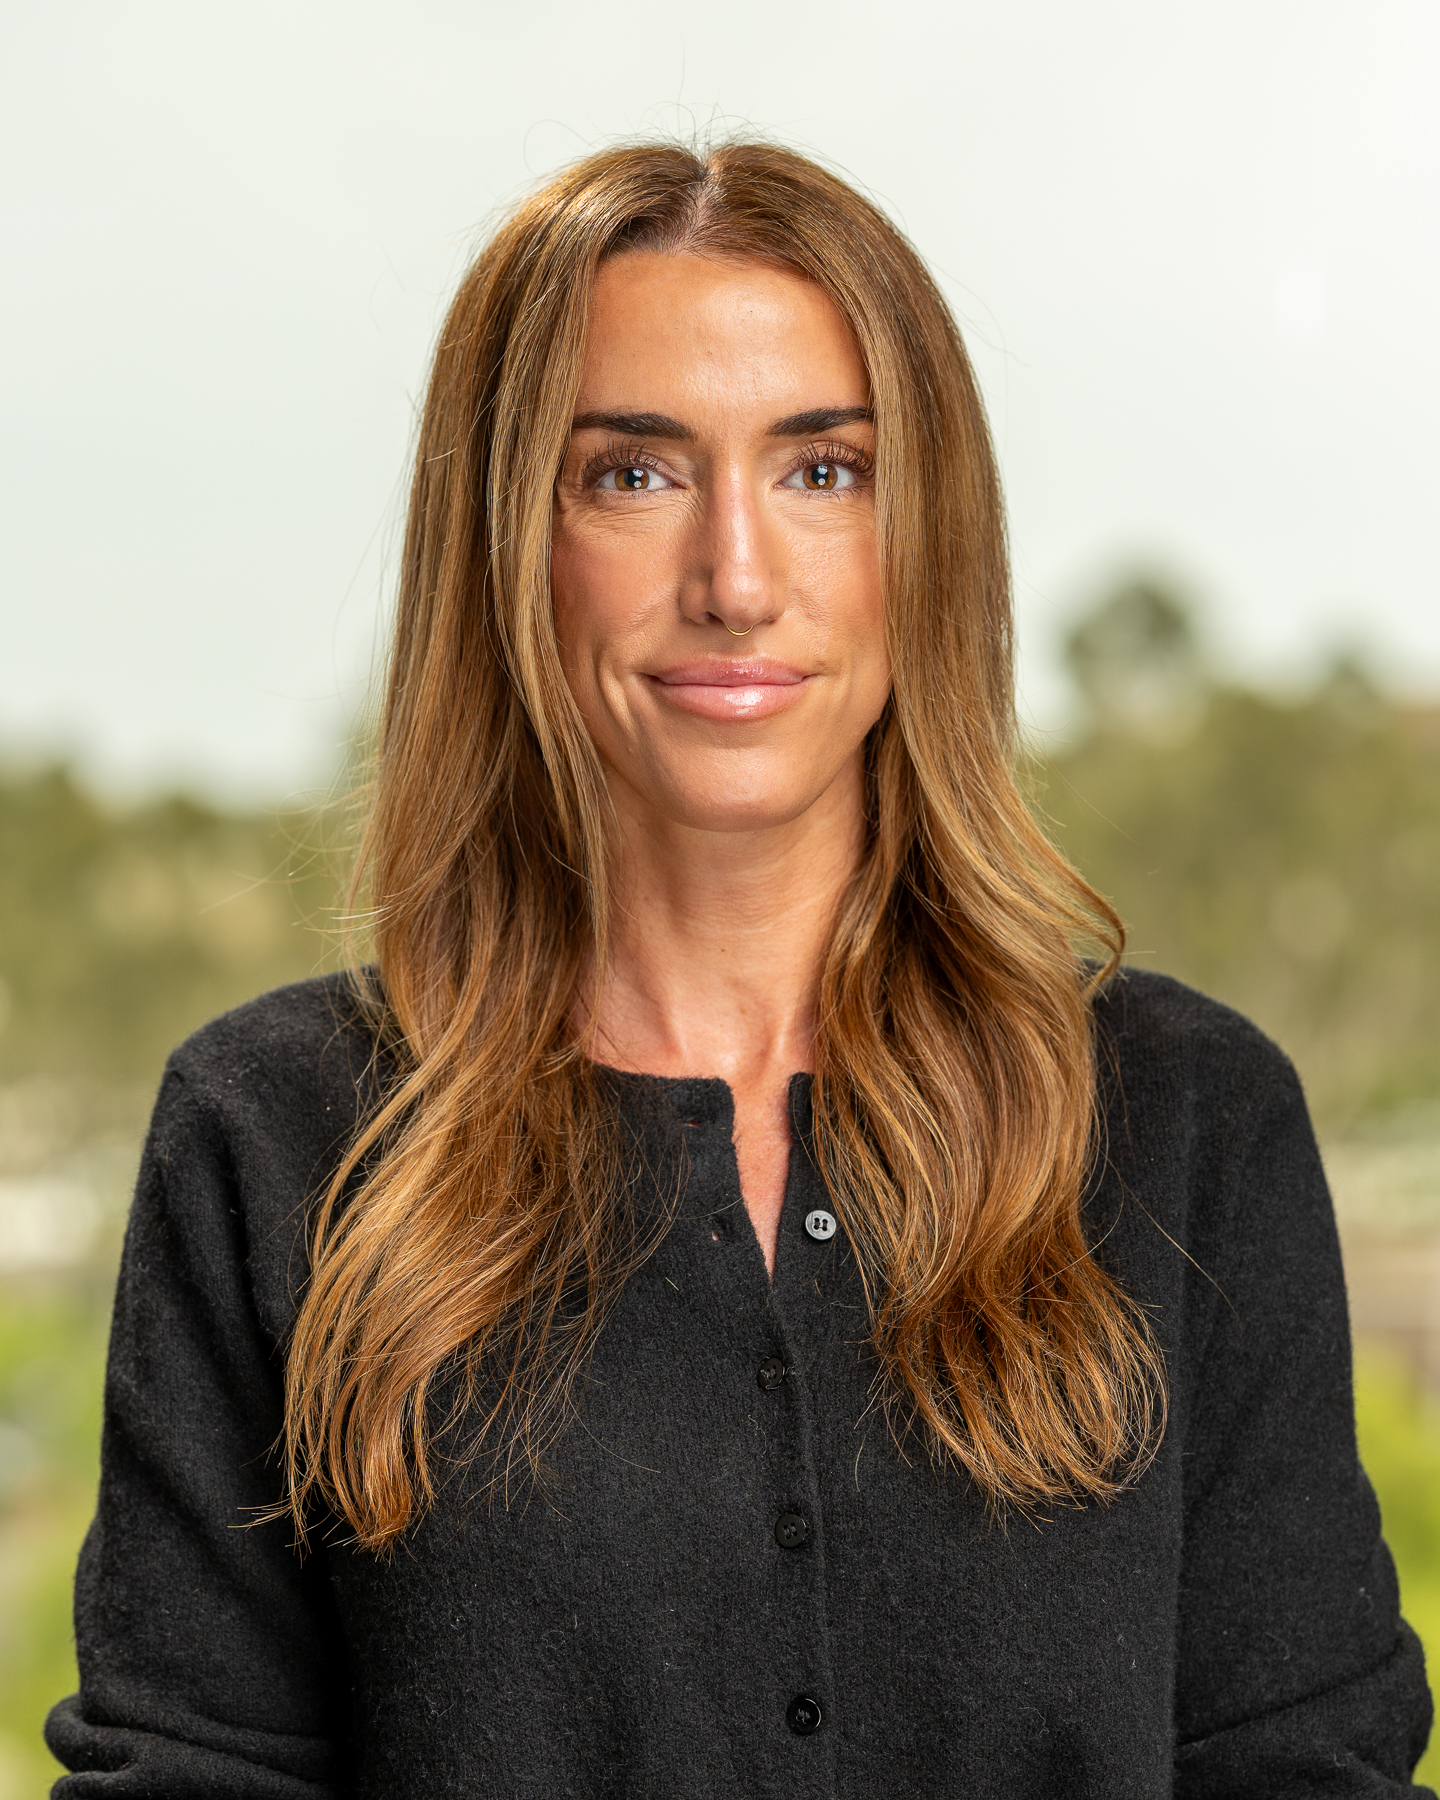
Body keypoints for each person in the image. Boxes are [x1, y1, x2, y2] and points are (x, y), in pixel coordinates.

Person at [46, 140, 1433, 1798]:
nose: (738, 579)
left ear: (926, 538)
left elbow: (1308, 1765)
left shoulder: (1190, 1125)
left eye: (822, 470)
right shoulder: (275, 1139)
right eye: (632, 474)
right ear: (509, 542)